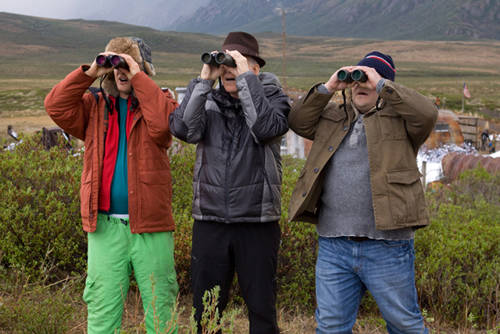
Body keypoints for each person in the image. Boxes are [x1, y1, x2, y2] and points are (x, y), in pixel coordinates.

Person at [288, 51, 438, 334]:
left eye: (367, 80)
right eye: (356, 79)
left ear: (384, 85)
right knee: (331, 326)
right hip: (334, 243)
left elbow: (427, 112)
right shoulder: (334, 117)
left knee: (404, 325)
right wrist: (328, 88)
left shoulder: (403, 122)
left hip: (388, 245)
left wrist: (380, 83)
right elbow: (298, 121)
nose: (360, 84)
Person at [44, 37, 179, 334]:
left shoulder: (161, 100)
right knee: (103, 311)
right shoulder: (94, 106)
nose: (121, 72)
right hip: (104, 227)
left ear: (143, 69)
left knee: (161, 312)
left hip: (151, 226)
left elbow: (163, 128)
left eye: (128, 65)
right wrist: (89, 72)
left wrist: (137, 74)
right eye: (116, 64)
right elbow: (55, 105)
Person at [169, 31, 290, 333]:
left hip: (257, 221)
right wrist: (203, 79)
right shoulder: (208, 99)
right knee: (206, 311)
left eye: (237, 63)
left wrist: (246, 80)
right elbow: (183, 129)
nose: (229, 70)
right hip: (210, 220)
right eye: (225, 62)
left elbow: (264, 128)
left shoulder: (275, 98)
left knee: (262, 311)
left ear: (255, 69)